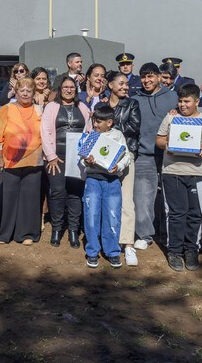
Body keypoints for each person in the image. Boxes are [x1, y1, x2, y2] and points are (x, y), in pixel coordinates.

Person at [156, 83, 202, 272]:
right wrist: (168, 144)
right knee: (177, 213)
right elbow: (159, 140)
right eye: (180, 101)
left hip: (199, 172)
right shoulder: (171, 117)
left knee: (195, 214)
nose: (183, 105)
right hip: (173, 171)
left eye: (187, 101)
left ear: (196, 101)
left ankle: (191, 249)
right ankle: (175, 251)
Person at [131, 63, 179, 252]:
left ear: (160, 77)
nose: (146, 80)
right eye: (143, 77)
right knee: (142, 197)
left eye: (150, 76)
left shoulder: (173, 97)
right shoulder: (134, 99)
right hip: (144, 154)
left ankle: (167, 233)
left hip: (171, 154)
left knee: (170, 197)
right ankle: (144, 234)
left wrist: (179, 111)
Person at [41, 77, 92, 248]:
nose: (69, 90)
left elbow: (89, 132)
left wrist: (84, 155)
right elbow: (45, 131)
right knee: (57, 192)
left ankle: (73, 229)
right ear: (60, 89)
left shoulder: (83, 107)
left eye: (72, 87)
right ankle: (56, 228)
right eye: (65, 87)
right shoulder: (52, 107)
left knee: (75, 193)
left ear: (76, 90)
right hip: (57, 157)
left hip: (77, 158)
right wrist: (51, 156)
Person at [0, 78, 43, 245]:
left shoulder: (39, 109)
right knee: (8, 197)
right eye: (22, 90)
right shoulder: (7, 109)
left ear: (34, 93)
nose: (25, 93)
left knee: (29, 198)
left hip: (34, 160)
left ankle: (27, 234)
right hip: (10, 160)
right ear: (16, 91)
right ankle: (4, 234)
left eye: (29, 90)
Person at [82, 103, 132, 269]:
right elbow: (82, 157)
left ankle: (112, 252)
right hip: (93, 179)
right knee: (91, 214)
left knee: (112, 215)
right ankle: (92, 251)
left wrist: (119, 167)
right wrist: (86, 160)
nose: (95, 124)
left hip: (112, 181)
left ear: (109, 122)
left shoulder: (118, 135)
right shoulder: (91, 134)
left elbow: (126, 156)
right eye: (94, 121)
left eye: (99, 122)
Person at [105, 72, 142, 266]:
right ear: (110, 85)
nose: (125, 87)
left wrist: (109, 123)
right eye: (120, 84)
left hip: (126, 155)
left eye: (126, 84)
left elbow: (134, 127)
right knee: (108, 200)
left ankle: (128, 245)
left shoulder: (132, 104)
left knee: (127, 200)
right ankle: (110, 240)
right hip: (104, 158)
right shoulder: (101, 105)